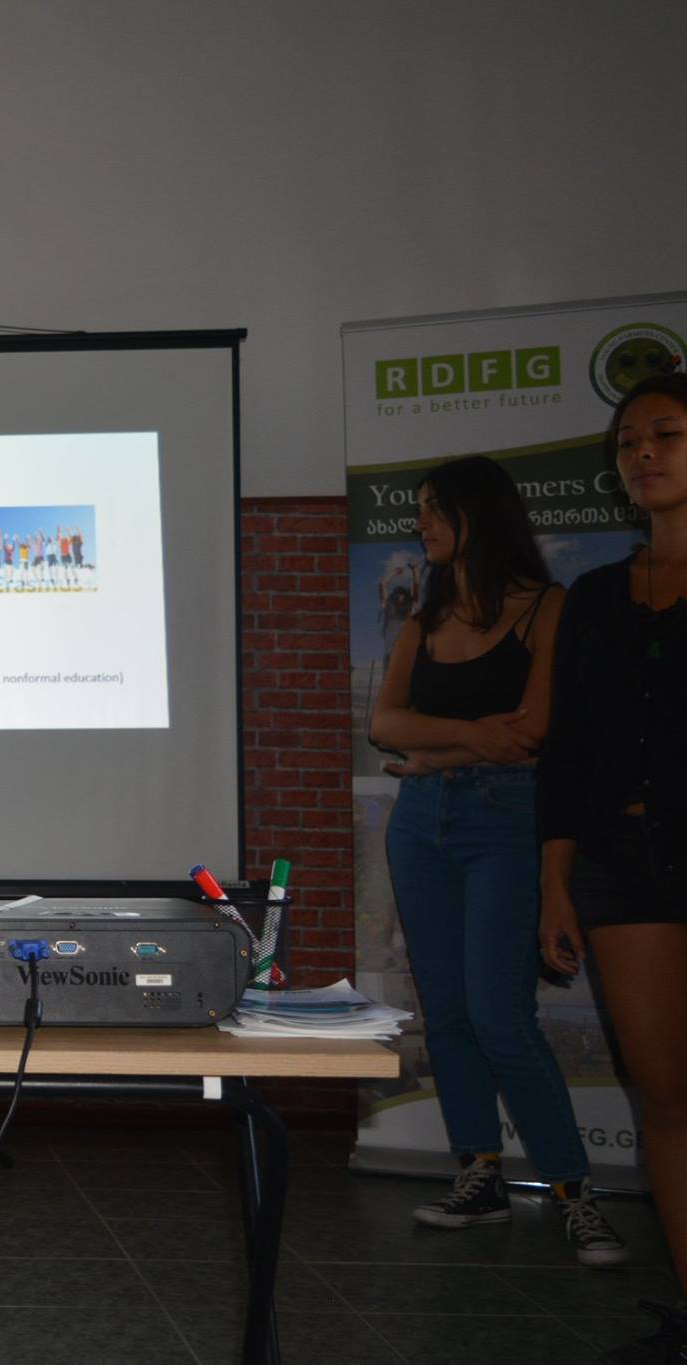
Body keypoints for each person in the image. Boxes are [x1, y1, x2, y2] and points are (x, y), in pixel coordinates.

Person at [368, 455, 626, 1268]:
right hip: (420, 824)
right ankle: (478, 1174)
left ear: (478, 513)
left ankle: (575, 1192)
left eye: (433, 508)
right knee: (445, 1012)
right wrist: (476, 737)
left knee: (499, 1015)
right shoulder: (424, 620)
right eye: (417, 509)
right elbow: (384, 725)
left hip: (508, 820)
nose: (420, 523)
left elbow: (537, 728)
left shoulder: (547, 606)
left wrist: (440, 750)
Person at [539, 374, 687, 1356]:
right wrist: (554, 882)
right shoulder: (594, 597)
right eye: (628, 441)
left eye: (665, 433)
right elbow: (566, 755)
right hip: (622, 862)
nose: (642, 453)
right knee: (665, 1095)